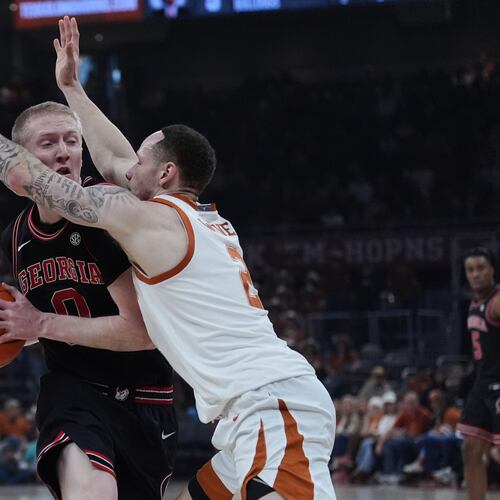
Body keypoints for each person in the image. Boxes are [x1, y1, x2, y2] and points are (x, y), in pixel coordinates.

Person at [0, 16, 336, 499]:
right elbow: (114, 155)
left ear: (165, 174)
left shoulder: (151, 222)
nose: (122, 168)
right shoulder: (194, 217)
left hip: (273, 407)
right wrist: (73, 88)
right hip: (250, 414)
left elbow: (39, 183)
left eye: (140, 161)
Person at [0, 101, 177, 500]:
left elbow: (141, 332)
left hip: (146, 396)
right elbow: (44, 319)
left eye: (72, 140)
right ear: (23, 164)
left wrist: (39, 324)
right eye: (48, 143)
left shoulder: (109, 215)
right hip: (73, 391)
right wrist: (16, 327)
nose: (64, 151)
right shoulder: (15, 236)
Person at [456, 247, 500, 500]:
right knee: (470, 450)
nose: (475, 274)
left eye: (481, 268)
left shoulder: (496, 302)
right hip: (482, 384)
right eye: (470, 270)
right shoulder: (474, 304)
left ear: (492, 270)